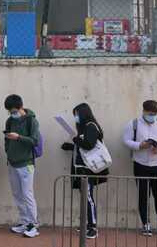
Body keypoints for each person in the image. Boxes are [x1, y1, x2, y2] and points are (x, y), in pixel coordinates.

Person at [122, 100, 157, 238]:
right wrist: (140, 145)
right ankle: (146, 225)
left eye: (155, 114)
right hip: (140, 165)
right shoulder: (133, 124)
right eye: (150, 113)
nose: (153, 116)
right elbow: (126, 140)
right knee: (143, 195)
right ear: (144, 111)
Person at [61, 103, 108, 240]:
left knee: (88, 197)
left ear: (83, 113)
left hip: (88, 170)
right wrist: (71, 146)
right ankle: (87, 224)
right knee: (85, 197)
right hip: (82, 168)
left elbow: (89, 145)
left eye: (76, 114)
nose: (76, 117)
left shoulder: (91, 126)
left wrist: (75, 139)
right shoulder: (85, 128)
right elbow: (84, 147)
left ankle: (93, 227)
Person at [4, 94, 41, 238]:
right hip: (12, 163)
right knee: (17, 194)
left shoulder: (32, 121)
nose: (12, 114)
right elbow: (7, 139)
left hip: (26, 164)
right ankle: (25, 222)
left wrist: (18, 137)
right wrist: (8, 150)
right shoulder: (10, 121)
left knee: (27, 194)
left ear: (21, 107)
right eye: (9, 111)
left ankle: (34, 225)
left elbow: (35, 141)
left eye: (13, 111)